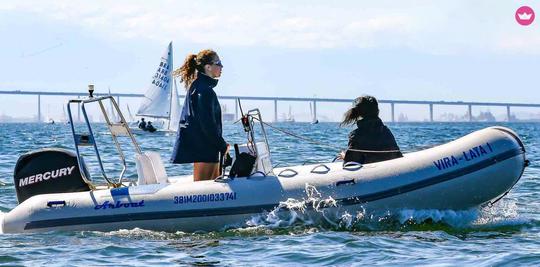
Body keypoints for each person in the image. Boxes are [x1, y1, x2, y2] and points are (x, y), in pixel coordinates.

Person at [171, 49, 229, 181]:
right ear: (208, 67)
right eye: (218, 63)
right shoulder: (204, 90)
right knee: (204, 188)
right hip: (205, 149)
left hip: (206, 148)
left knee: (210, 186)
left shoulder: (198, 87)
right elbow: (207, 123)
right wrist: (222, 145)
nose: (221, 67)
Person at [340, 95, 402, 164]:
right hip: (391, 170)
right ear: (378, 112)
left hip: (371, 172)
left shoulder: (356, 135)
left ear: (359, 113)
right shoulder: (386, 131)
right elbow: (397, 155)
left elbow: (350, 162)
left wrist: (344, 156)